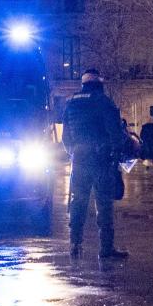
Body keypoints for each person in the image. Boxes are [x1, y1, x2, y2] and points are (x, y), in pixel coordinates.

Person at [61, 68, 128, 259]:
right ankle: (106, 249)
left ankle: (74, 244)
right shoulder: (103, 101)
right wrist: (117, 152)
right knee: (104, 205)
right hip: (101, 159)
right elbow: (115, 133)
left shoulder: (71, 103)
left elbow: (66, 136)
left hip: (79, 159)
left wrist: (73, 151)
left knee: (78, 202)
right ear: (99, 83)